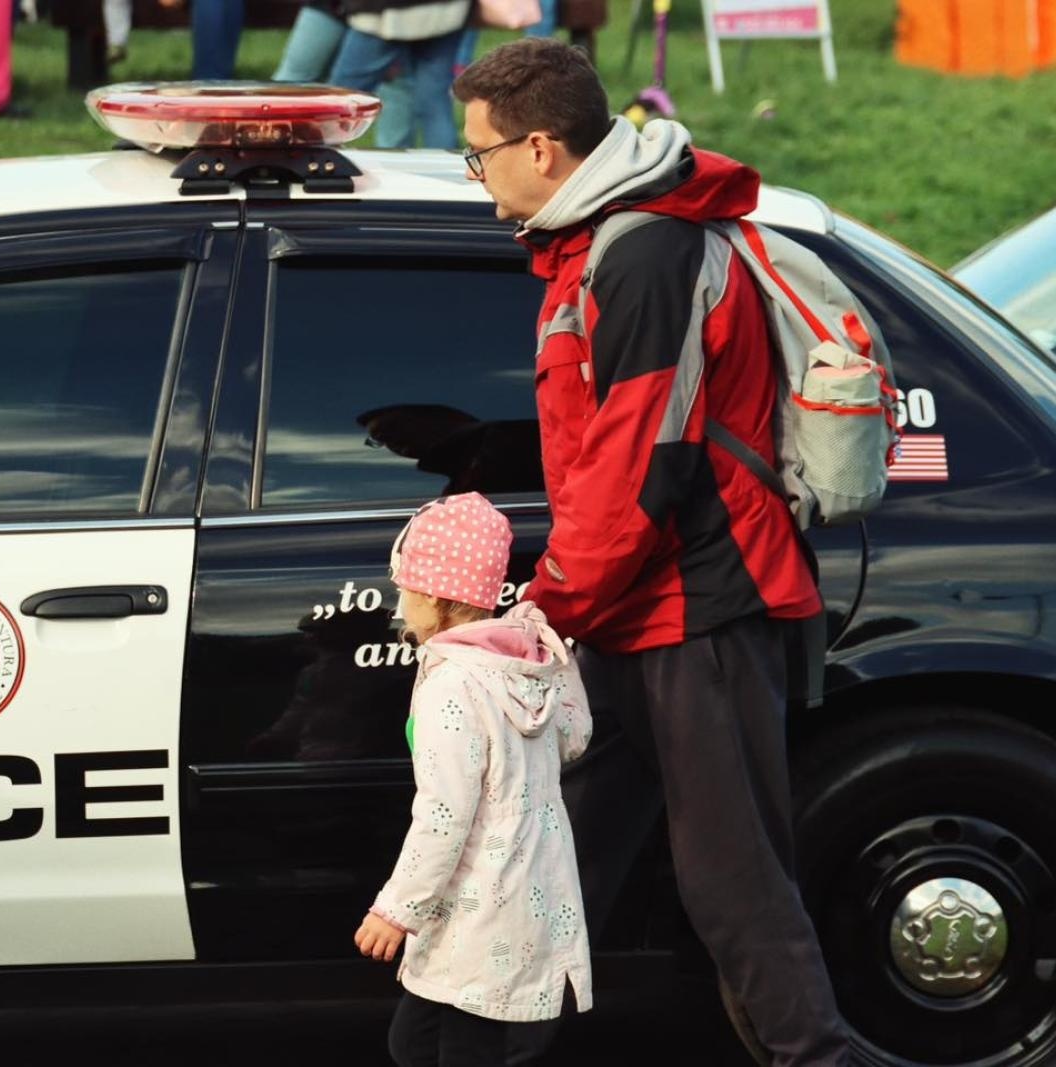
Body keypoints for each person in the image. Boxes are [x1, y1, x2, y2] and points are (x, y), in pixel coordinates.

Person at [452, 38, 851, 1066]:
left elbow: (640, 469)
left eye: (477, 153)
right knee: (552, 863)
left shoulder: (642, 254)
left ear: (540, 148)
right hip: (640, 617)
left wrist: (547, 605)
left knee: (733, 884)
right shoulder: (602, 245)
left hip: (695, 613)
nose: (475, 172)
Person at [354, 492, 593, 1067]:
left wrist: (395, 909)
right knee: (417, 1045)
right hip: (524, 893)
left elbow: (443, 815)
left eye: (403, 590)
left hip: (477, 909)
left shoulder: (451, 686)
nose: (399, 604)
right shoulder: (525, 666)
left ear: (433, 597)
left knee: (450, 1051)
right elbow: (575, 737)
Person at [327, 0, 470, 150]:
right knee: (434, 101)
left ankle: (317, 162)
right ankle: (449, 168)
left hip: (384, 13)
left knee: (339, 98)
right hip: (445, 13)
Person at [272, 0, 416, 147]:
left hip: (379, 12)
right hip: (338, 9)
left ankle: (391, 159)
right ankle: (274, 145)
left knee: (393, 84)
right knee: (291, 84)